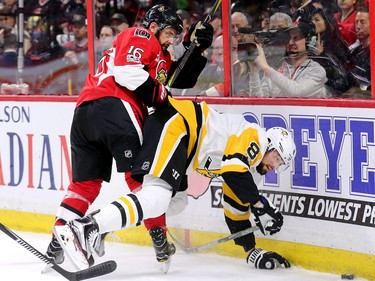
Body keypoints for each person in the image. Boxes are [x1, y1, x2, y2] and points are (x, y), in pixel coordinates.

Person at [45, 3, 213, 269]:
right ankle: (156, 237)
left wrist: (197, 48)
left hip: (84, 114)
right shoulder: (141, 35)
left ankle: (56, 242)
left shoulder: (160, 55)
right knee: (145, 181)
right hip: (115, 108)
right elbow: (127, 72)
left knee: (84, 186)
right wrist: (161, 97)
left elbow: (178, 78)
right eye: (169, 33)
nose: (171, 40)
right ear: (154, 27)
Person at [54, 96, 296, 271]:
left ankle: (102, 223)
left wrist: (251, 251)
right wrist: (261, 204)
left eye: (280, 164)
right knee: (157, 197)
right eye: (276, 158)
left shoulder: (245, 168)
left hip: (182, 143)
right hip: (177, 125)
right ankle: (83, 228)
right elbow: (234, 172)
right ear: (270, 145)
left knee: (176, 202)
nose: (275, 165)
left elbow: (235, 211)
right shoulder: (255, 136)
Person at [248, 19, 329, 98]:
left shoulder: (317, 70)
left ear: (310, 41)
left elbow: (296, 93)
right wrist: (254, 72)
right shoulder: (276, 68)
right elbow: (258, 102)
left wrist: (266, 68)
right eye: (288, 38)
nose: (290, 42)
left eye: (296, 38)